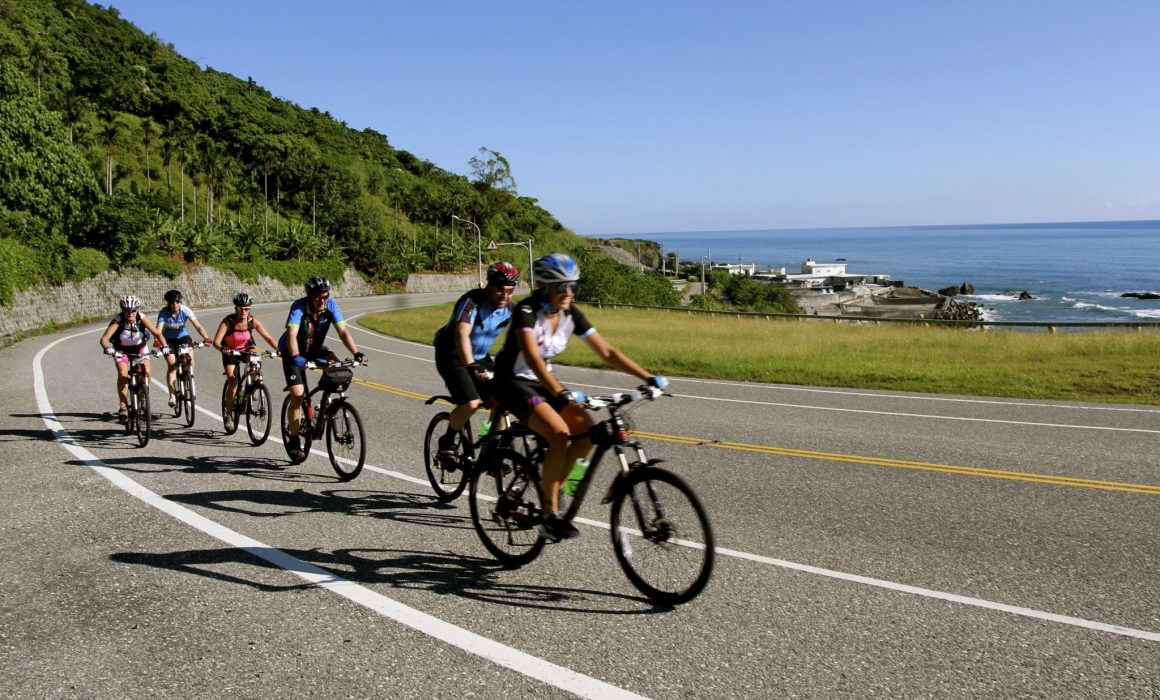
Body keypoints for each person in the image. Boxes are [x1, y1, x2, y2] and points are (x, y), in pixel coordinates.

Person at [493, 254, 668, 541]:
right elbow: (534, 358)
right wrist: (560, 391)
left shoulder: (570, 313)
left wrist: (647, 377)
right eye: (562, 287)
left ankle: (552, 487)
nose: (569, 293)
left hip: (542, 383)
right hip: (512, 382)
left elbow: (607, 352)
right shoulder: (526, 310)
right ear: (546, 286)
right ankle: (549, 517)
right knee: (560, 434)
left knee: (589, 433)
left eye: (573, 286)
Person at [432, 262, 519, 456]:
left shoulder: (511, 308)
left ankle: (492, 451)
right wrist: (470, 365)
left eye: (510, 290)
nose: (504, 295)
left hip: (480, 357)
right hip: (452, 356)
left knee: (501, 402)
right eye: (499, 288)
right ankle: (447, 440)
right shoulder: (472, 301)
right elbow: (461, 334)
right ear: (489, 285)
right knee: (471, 403)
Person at [278, 276, 368, 461]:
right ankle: (294, 439)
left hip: (314, 349)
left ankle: (324, 404)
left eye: (325, 296)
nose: (323, 300)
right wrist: (296, 357)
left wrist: (356, 352)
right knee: (298, 394)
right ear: (310, 296)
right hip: (292, 350)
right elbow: (292, 334)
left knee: (337, 366)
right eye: (318, 297)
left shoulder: (331, 306)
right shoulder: (299, 306)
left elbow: (343, 331)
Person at [212, 292, 280, 432]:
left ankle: (254, 386)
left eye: (247, 309)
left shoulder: (251, 321)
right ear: (236, 308)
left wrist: (279, 349)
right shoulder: (228, 321)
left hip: (246, 349)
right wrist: (223, 349)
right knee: (232, 380)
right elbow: (216, 342)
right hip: (230, 351)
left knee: (255, 360)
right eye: (241, 308)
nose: (244, 311)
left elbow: (268, 338)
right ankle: (229, 415)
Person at [98, 294, 166, 422]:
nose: (130, 313)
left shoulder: (141, 318)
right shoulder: (118, 320)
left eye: (133, 310)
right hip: (121, 350)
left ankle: (143, 396)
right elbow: (104, 339)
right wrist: (108, 348)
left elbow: (157, 333)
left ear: (137, 309)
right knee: (123, 373)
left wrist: (165, 346)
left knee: (147, 372)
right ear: (122, 310)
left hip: (139, 348)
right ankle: (123, 406)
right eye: (127, 311)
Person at [156, 289, 211, 408]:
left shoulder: (185, 310)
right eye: (171, 302)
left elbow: (198, 326)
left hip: (183, 337)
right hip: (168, 339)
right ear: (168, 303)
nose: (175, 304)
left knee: (190, 361)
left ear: (180, 302)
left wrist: (206, 337)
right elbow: (158, 330)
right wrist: (158, 342)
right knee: (172, 365)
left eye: (177, 302)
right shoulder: (164, 313)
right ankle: (172, 395)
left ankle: (190, 380)